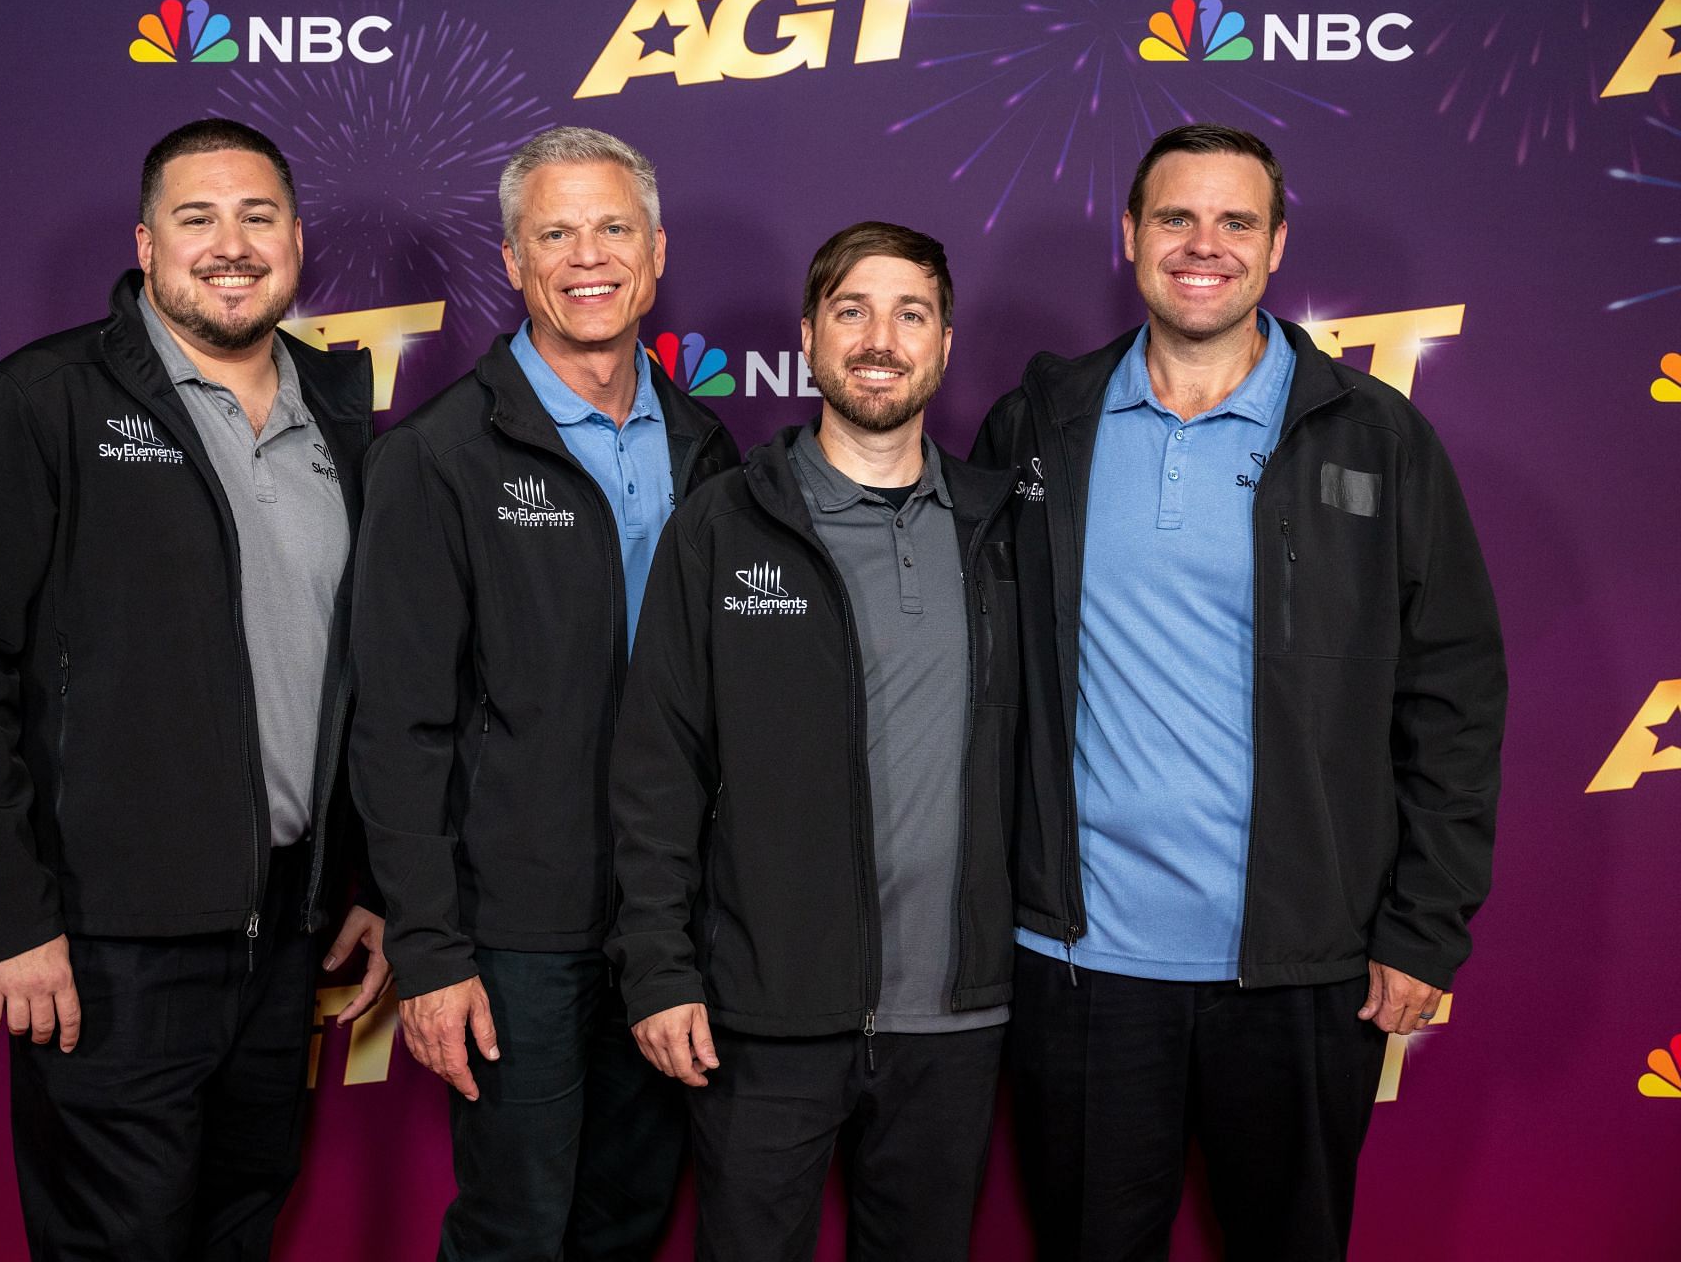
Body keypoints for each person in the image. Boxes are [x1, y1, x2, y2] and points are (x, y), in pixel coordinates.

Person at [973, 123, 1507, 1260]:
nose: (1202, 244)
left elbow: (1452, 693)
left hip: (1303, 971)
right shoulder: (1041, 422)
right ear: (1130, 237)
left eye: (1235, 222)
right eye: (1175, 217)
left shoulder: (1376, 437)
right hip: (1081, 965)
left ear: (1273, 250)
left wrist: (1425, 926)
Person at [0, 118, 390, 1260]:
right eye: (197, 218)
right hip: (105, 949)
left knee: (237, 1230)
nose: (231, 244)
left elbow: (359, 673)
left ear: (297, 240)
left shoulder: (345, 420)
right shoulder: (41, 404)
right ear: (146, 243)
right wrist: (12, 924)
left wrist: (365, 875)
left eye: (258, 216)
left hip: (285, 941)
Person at [349, 125, 739, 1261]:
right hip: (512, 931)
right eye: (554, 233)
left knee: (626, 1220)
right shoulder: (439, 455)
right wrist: (430, 945)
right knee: (515, 1227)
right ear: (513, 260)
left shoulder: (709, 447)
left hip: (669, 925)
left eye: (613, 228)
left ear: (655, 252)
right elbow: (399, 721)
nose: (588, 256)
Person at [610, 221, 1020, 1261]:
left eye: (909, 313)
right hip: (764, 1010)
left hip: (956, 1018)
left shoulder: (1001, 528)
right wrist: (660, 969)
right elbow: (658, 764)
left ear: (946, 340)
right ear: (808, 336)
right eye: (852, 310)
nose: (880, 337)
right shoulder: (722, 524)